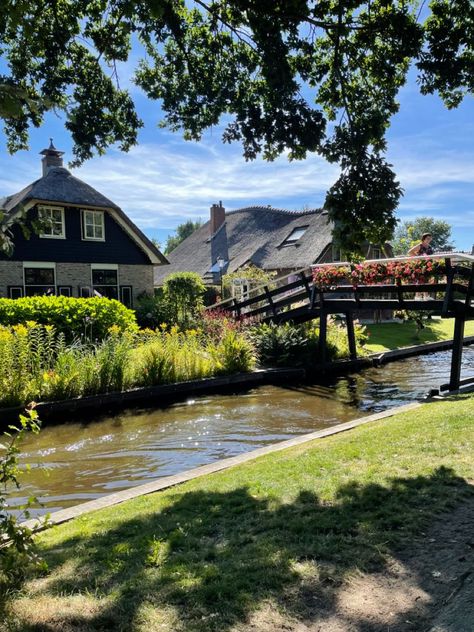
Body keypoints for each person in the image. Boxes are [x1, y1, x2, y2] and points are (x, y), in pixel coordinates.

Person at [408, 233, 434, 300]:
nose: (429, 240)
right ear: (424, 239)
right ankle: (417, 296)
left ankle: (426, 296)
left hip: (428, 265)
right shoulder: (420, 245)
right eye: (427, 238)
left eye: (430, 238)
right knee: (420, 280)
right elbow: (410, 252)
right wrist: (418, 258)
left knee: (426, 280)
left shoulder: (430, 247)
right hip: (421, 265)